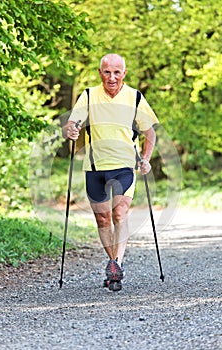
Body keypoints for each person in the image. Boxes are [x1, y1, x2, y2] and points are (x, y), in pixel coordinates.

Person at [63, 53, 159, 291]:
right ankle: (113, 264)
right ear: (100, 73)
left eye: (117, 72)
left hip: (125, 165)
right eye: (107, 72)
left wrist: (145, 159)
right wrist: (71, 130)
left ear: (124, 73)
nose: (112, 77)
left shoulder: (135, 97)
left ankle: (116, 264)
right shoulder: (87, 96)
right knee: (102, 218)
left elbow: (150, 133)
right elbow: (71, 124)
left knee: (119, 212)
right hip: (95, 167)